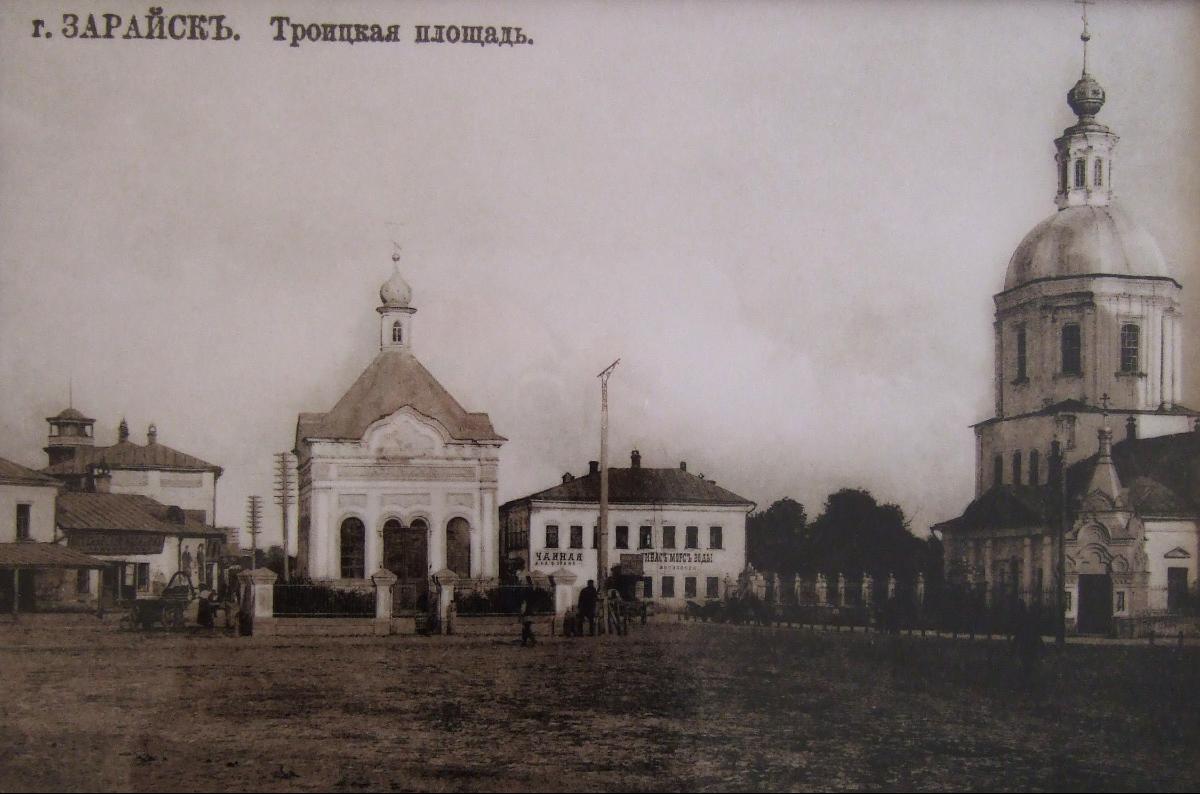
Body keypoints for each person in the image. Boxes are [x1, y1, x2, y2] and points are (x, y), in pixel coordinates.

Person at [519, 578, 537, 646]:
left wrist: (521, 614)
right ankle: (525, 641)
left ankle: (531, 640)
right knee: (526, 628)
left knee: (526, 629)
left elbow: (523, 606)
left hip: (526, 614)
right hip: (529, 613)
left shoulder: (524, 594)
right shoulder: (531, 593)